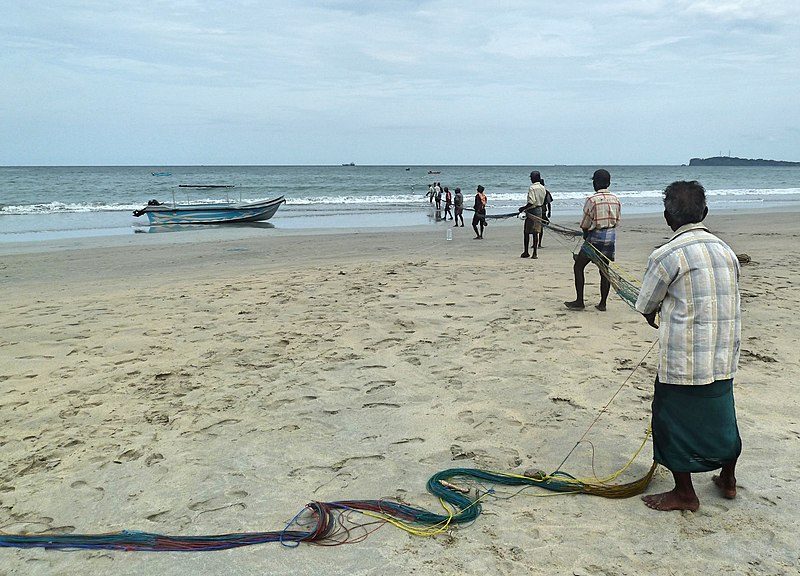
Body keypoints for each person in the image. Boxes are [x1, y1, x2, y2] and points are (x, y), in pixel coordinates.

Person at [635, 180, 742, 512]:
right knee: (721, 417)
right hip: (723, 355)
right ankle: (728, 478)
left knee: (669, 420)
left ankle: (685, 493)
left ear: (668, 217)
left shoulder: (666, 255)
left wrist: (655, 311)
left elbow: (646, 304)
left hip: (683, 360)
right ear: (705, 213)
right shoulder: (727, 251)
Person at [564, 169, 620, 311]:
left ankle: (579, 302)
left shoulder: (592, 200)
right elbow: (617, 220)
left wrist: (584, 233)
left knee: (578, 266)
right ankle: (603, 304)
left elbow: (585, 223)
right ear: (608, 183)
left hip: (595, 238)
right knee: (604, 270)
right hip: (610, 238)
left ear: (595, 183)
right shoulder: (616, 199)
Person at [517, 170, 547, 259]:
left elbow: (531, 202)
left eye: (531, 177)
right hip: (539, 210)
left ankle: (526, 252)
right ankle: (535, 253)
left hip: (532, 211)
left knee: (526, 232)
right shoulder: (542, 187)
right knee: (536, 232)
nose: (531, 179)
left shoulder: (532, 188)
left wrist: (523, 208)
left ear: (534, 178)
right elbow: (543, 200)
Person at [538, 179, 553, 249]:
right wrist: (550, 212)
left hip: (537, 211)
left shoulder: (537, 192)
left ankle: (537, 243)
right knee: (541, 227)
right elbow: (549, 203)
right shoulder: (546, 192)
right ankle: (539, 243)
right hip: (543, 211)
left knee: (538, 227)